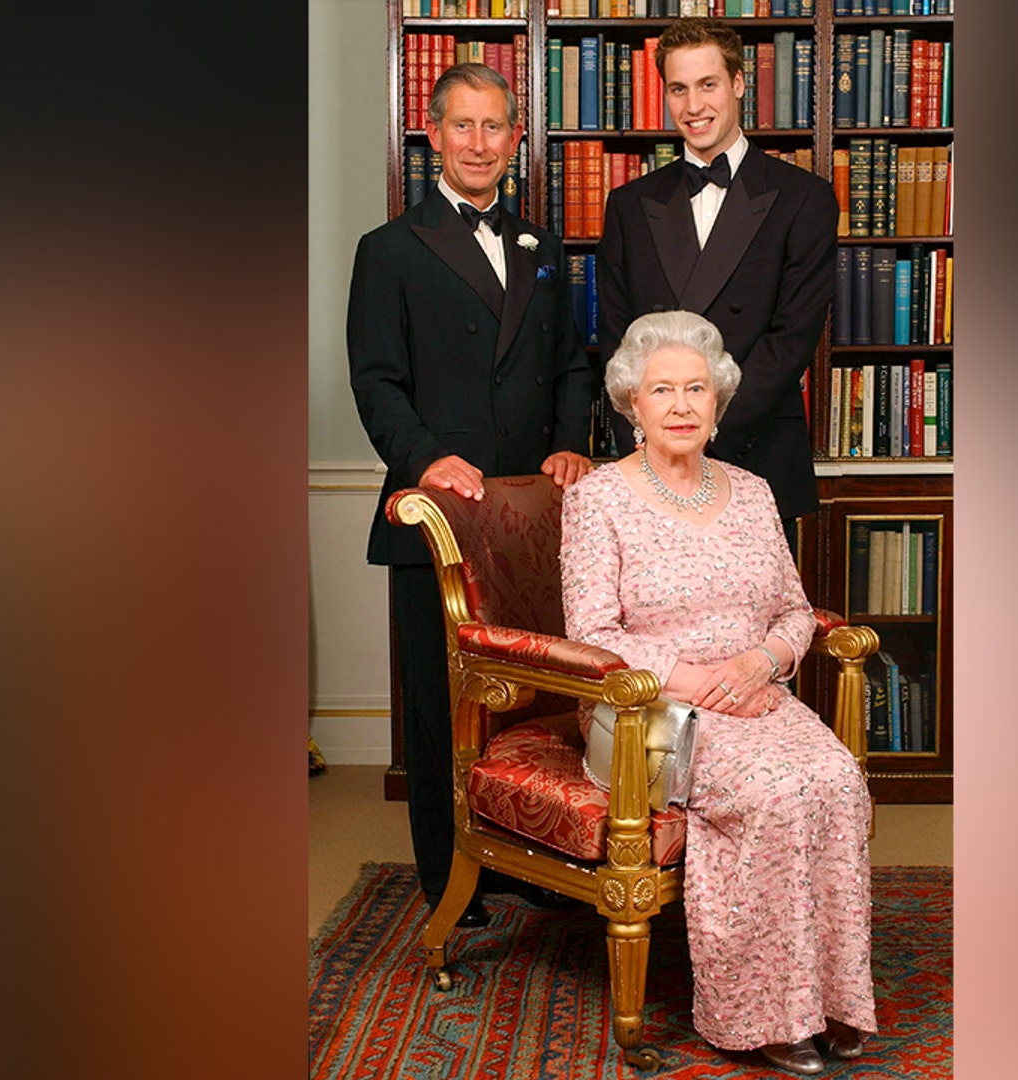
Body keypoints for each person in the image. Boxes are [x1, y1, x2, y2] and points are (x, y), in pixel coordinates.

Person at [560, 311, 875, 1075]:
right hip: (648, 711)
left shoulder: (756, 492)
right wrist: (698, 681)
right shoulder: (599, 499)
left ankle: (829, 1001)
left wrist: (760, 665)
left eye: (695, 389)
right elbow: (591, 629)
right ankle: (764, 1015)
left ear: (717, 403)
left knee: (834, 781)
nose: (679, 404)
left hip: (754, 692)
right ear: (631, 403)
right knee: (770, 794)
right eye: (660, 389)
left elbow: (795, 612)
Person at [348, 63, 594, 927]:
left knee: (526, 699)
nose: (480, 143)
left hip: (530, 517)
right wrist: (425, 459)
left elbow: (572, 364)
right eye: (463, 126)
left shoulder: (543, 247)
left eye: (496, 128)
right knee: (440, 702)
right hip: (440, 513)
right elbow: (377, 382)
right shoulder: (388, 251)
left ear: (516, 140)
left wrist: (571, 443)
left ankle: (525, 859)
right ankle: (449, 876)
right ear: (432, 134)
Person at [596, 17, 839, 552]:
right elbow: (616, 337)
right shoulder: (630, 205)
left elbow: (791, 339)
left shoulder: (804, 198)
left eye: (708, 85)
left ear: (738, 84)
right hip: (650, 466)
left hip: (756, 455)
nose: (693, 105)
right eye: (678, 89)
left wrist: (701, 433)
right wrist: (656, 445)